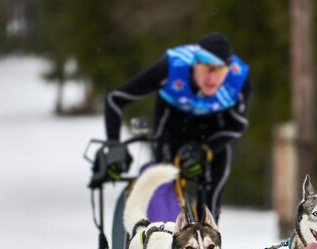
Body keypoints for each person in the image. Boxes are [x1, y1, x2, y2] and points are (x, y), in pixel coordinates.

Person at [104, 32, 252, 223]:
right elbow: (115, 99)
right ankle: (161, 238)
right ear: (194, 64)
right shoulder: (172, 66)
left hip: (212, 132)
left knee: (215, 183)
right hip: (172, 125)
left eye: (220, 70)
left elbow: (237, 126)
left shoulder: (239, 79)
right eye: (207, 68)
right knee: (163, 187)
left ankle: (209, 238)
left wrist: (206, 150)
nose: (213, 78)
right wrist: (114, 144)